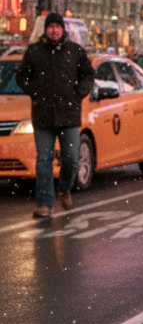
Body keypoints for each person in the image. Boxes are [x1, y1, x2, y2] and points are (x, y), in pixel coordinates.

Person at [15, 12, 95, 218]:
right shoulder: (35, 52)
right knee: (44, 159)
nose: (53, 30)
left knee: (71, 159)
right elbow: (22, 75)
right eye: (50, 27)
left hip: (69, 114)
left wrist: (79, 92)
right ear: (46, 29)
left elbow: (88, 73)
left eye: (57, 27)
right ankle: (45, 203)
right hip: (43, 115)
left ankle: (64, 189)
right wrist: (34, 90)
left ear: (62, 29)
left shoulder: (74, 51)